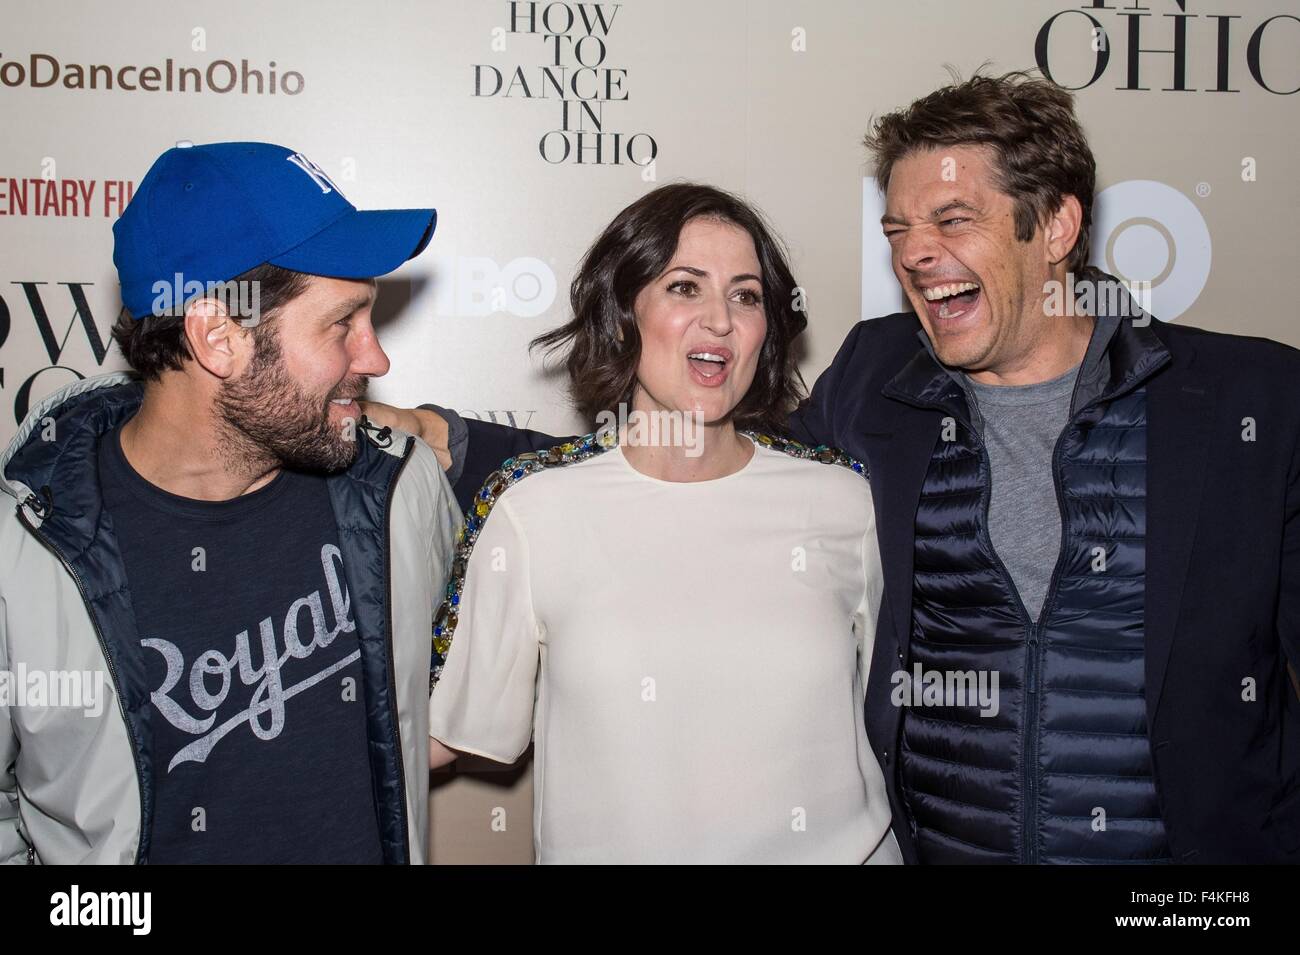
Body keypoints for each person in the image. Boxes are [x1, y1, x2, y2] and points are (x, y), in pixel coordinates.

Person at [380, 71, 1300, 864]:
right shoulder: (878, 384)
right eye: (899, 229)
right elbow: (684, 464)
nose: (915, 255)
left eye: (952, 219)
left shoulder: (1248, 401)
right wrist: (458, 441)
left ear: (1056, 225)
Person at [0, 141, 459, 864]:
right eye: (343, 323)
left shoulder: (401, 492)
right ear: (219, 337)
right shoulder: (22, 548)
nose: (376, 358)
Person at [416, 183, 901, 863]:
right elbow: (453, 733)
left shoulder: (846, 501)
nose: (721, 320)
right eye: (684, 288)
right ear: (622, 317)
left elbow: (908, 719)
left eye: (746, 295)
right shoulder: (533, 511)